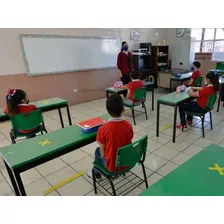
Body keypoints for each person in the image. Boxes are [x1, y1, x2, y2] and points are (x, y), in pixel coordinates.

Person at [87, 94, 134, 180]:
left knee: (98, 151)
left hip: (113, 166)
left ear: (107, 111)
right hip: (127, 162)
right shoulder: (128, 125)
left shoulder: (103, 129)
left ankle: (96, 174)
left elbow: (102, 152)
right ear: (123, 110)